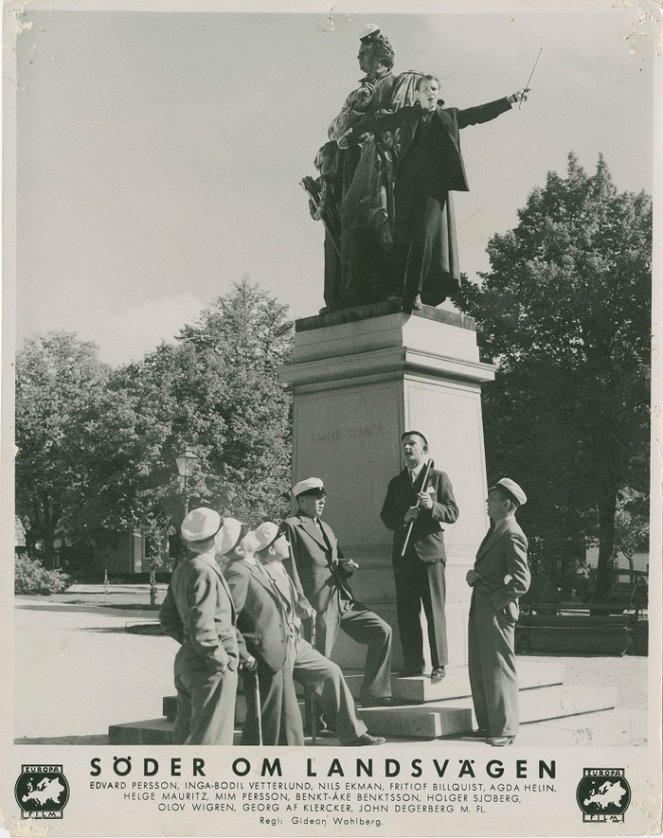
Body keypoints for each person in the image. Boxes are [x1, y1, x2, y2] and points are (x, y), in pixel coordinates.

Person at [340, 73, 530, 310]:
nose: (431, 92)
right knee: (402, 239)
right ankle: (395, 290)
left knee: (423, 235)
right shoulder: (407, 115)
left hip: (433, 189)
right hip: (407, 185)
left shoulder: (448, 117)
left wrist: (509, 100)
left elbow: (477, 114)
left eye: (435, 89)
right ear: (417, 94)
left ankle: (412, 294)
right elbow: (379, 123)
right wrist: (351, 134)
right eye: (426, 89)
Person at [227, 522, 386, 747]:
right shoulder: (254, 570)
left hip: (295, 641)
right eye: (283, 540)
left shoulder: (280, 567)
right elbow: (230, 615)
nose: (289, 543)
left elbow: (292, 594)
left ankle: (354, 733)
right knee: (277, 706)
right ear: (271, 549)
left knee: (330, 671)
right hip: (274, 645)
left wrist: (304, 605)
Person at [305, 24, 396, 311]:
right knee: (349, 230)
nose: (358, 59)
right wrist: (356, 109)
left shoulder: (397, 86)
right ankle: (351, 290)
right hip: (350, 168)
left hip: (383, 167)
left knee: (377, 223)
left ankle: (383, 286)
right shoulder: (356, 94)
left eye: (363, 54)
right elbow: (334, 130)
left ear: (379, 57)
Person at [283, 478, 393, 708]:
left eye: (323, 496)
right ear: (301, 500)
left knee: (381, 631)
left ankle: (374, 693)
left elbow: (335, 561)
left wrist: (345, 566)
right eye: (315, 497)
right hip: (318, 604)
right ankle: (320, 717)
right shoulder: (291, 526)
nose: (322, 500)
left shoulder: (326, 527)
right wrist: (301, 602)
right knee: (321, 662)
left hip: (343, 598)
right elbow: (290, 569)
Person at [159, 508, 251, 745]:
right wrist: (219, 659)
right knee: (211, 747)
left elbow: (168, 618)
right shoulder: (204, 569)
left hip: (189, 665)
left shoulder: (184, 568)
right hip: (209, 671)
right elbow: (202, 624)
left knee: (187, 745)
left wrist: (190, 642)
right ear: (217, 534)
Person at [380, 431, 458, 682]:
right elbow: (386, 517)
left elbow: (453, 512)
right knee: (407, 611)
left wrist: (431, 507)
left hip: (430, 555)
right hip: (404, 555)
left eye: (412, 444)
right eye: (404, 445)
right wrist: (404, 517)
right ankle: (414, 664)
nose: (406, 448)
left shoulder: (438, 477)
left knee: (434, 610)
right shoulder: (396, 482)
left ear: (424, 449)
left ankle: (439, 664)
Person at [466, 478, 530, 747]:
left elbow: (522, 580)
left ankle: (504, 729)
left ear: (506, 503)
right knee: (481, 667)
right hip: (482, 607)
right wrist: (475, 576)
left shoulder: (512, 533)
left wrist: (495, 600)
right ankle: (489, 725)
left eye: (492, 499)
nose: (488, 503)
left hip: (496, 610)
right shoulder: (496, 530)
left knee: (499, 668)